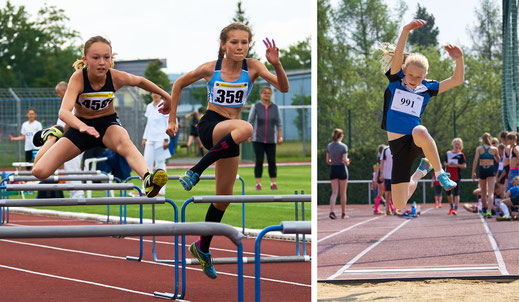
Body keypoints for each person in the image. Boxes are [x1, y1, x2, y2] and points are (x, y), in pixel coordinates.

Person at [165, 23, 289, 279]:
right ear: (223, 45)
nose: (240, 47)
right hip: (210, 126)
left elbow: (283, 87)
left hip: (229, 139)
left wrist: (276, 63)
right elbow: (177, 84)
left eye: (244, 42)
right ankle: (196, 170)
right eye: (234, 42)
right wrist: (172, 120)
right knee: (246, 128)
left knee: (224, 199)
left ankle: (202, 248)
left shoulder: (253, 67)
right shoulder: (210, 68)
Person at [31, 36, 171, 198]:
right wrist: (81, 126)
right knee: (39, 171)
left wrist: (166, 96)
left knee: (124, 141)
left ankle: (147, 178)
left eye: (106, 57)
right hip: (80, 129)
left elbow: (139, 81)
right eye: (96, 58)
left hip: (107, 125)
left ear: (111, 59)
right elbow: (64, 112)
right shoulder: (78, 78)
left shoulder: (115, 77)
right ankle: (51, 136)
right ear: (85, 60)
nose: (102, 62)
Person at [380, 19, 464, 213]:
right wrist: (405, 30)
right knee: (399, 206)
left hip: (416, 139)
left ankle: (440, 173)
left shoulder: (427, 88)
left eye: (419, 77)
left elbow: (457, 80)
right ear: (404, 71)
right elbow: (399, 54)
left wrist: (459, 59)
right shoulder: (395, 80)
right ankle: (420, 172)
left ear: (425, 76)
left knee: (420, 129)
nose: (414, 80)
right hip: (398, 148)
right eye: (410, 76)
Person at [248, 86, 283, 191]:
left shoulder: (275, 108)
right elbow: (250, 121)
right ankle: (258, 184)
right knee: (259, 161)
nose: (267, 95)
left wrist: (279, 136)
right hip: (258, 139)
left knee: (272, 161)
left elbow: (279, 124)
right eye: (265, 93)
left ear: (271, 94)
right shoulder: (256, 106)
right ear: (261, 94)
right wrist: (249, 135)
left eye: (268, 93)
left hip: (271, 140)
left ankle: (273, 183)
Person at [55, 81, 85, 199]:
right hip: (68, 139)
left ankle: (78, 193)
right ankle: (74, 192)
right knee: (70, 167)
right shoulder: (67, 103)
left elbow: (69, 123)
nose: (58, 95)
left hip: (73, 140)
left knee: (73, 167)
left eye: (59, 93)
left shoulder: (72, 104)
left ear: (64, 91)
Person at [142, 90, 171, 196]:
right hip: (150, 139)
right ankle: (145, 188)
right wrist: (144, 138)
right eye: (153, 92)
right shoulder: (149, 106)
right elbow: (148, 124)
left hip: (160, 139)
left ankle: (161, 190)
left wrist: (166, 139)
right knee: (146, 164)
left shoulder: (164, 105)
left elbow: (168, 123)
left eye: (157, 93)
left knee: (160, 164)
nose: (155, 95)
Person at [471, 132, 500, 218]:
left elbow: (475, 160)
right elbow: (498, 160)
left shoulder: (479, 148)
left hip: (482, 169)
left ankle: (484, 210)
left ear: (482, 140)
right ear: (490, 139)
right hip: (491, 169)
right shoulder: (494, 149)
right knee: (491, 192)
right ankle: (489, 211)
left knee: (483, 192)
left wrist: (473, 172)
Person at [326, 128, 350, 219]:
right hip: (342, 169)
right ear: (341, 136)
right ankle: (343, 213)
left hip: (333, 169)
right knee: (343, 193)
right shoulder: (343, 146)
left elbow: (328, 161)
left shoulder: (329, 146)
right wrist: (347, 162)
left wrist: (333, 162)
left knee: (334, 192)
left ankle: (331, 212)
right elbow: (344, 160)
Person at [444, 138, 466, 215]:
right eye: (455, 143)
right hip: (448, 175)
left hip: (457, 175)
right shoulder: (448, 153)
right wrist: (448, 164)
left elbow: (464, 166)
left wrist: (457, 165)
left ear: (460, 145)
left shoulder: (461, 155)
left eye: (458, 144)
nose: (457, 145)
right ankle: (451, 207)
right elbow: (445, 163)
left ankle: (455, 209)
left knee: (456, 193)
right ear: (453, 144)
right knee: (448, 193)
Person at [377, 145, 395, 215]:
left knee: (396, 192)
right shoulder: (385, 150)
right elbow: (380, 163)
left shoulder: (399, 147)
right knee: (387, 192)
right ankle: (388, 208)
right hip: (387, 175)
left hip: (396, 174)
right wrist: (381, 174)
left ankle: (395, 208)